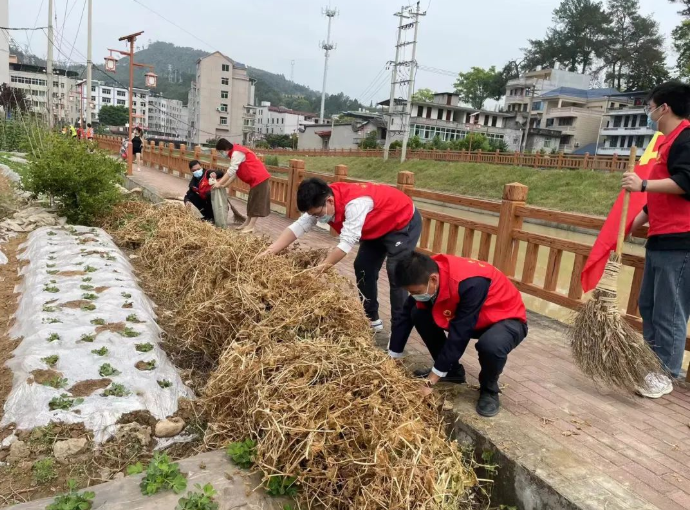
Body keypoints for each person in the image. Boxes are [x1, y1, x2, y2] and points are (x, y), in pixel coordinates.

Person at [260, 177, 422, 334]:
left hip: (401, 221)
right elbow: (298, 227)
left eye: (318, 214)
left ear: (330, 201)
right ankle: (372, 319)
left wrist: (318, 269)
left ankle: (398, 331)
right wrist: (269, 252)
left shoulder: (355, 204)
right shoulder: (321, 201)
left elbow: (345, 245)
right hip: (375, 227)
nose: (317, 218)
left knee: (397, 272)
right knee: (363, 267)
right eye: (313, 215)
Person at [389, 252, 527, 417]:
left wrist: (430, 381)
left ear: (433, 279)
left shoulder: (471, 283)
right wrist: (391, 359)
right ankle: (452, 372)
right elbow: (403, 317)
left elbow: (460, 335)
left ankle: (489, 390)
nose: (413, 295)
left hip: (504, 318)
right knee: (418, 313)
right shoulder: (425, 275)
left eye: (415, 291)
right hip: (471, 317)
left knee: (490, 345)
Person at [622, 81, 690, 398]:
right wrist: (635, 220)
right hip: (661, 237)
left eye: (650, 106)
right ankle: (651, 364)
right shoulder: (667, 142)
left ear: (664, 108)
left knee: (670, 312)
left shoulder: (686, 138)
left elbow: (685, 183)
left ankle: (665, 374)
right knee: (648, 305)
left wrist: (644, 184)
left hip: (681, 240)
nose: (648, 112)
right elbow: (663, 196)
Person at [213, 139, 271, 233]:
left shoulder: (237, 153)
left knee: (256, 202)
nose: (221, 153)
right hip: (255, 180)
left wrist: (219, 183)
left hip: (260, 178)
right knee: (251, 202)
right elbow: (234, 173)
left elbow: (231, 170)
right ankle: (246, 223)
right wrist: (224, 185)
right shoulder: (235, 152)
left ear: (226, 148)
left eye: (221, 151)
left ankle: (251, 226)